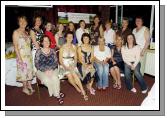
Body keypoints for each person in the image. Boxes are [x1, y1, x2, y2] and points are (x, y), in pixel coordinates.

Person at [59, 31, 88, 101]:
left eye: (71, 37)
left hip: (72, 63)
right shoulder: (62, 47)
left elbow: (75, 58)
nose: (70, 38)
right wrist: (66, 67)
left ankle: (83, 91)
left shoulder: (74, 47)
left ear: (72, 38)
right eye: (68, 37)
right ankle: (76, 87)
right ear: (66, 38)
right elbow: (60, 60)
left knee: (74, 74)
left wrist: (74, 64)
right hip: (64, 65)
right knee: (69, 75)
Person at [35, 35, 64, 104]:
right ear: (42, 42)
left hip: (53, 69)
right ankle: (57, 93)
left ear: (50, 42)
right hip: (41, 70)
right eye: (44, 41)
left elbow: (55, 62)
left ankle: (57, 95)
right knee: (46, 80)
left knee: (55, 78)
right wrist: (45, 70)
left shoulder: (53, 51)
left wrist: (51, 69)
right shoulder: (38, 51)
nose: (46, 42)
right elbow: (37, 64)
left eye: (47, 40)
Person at [13, 16, 34, 95]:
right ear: (18, 23)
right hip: (21, 56)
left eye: (24, 21)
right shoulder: (16, 32)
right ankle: (24, 88)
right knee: (23, 72)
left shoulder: (26, 32)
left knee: (29, 71)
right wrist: (20, 59)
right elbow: (15, 46)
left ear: (26, 22)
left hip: (28, 56)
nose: (22, 23)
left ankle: (29, 85)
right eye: (20, 21)